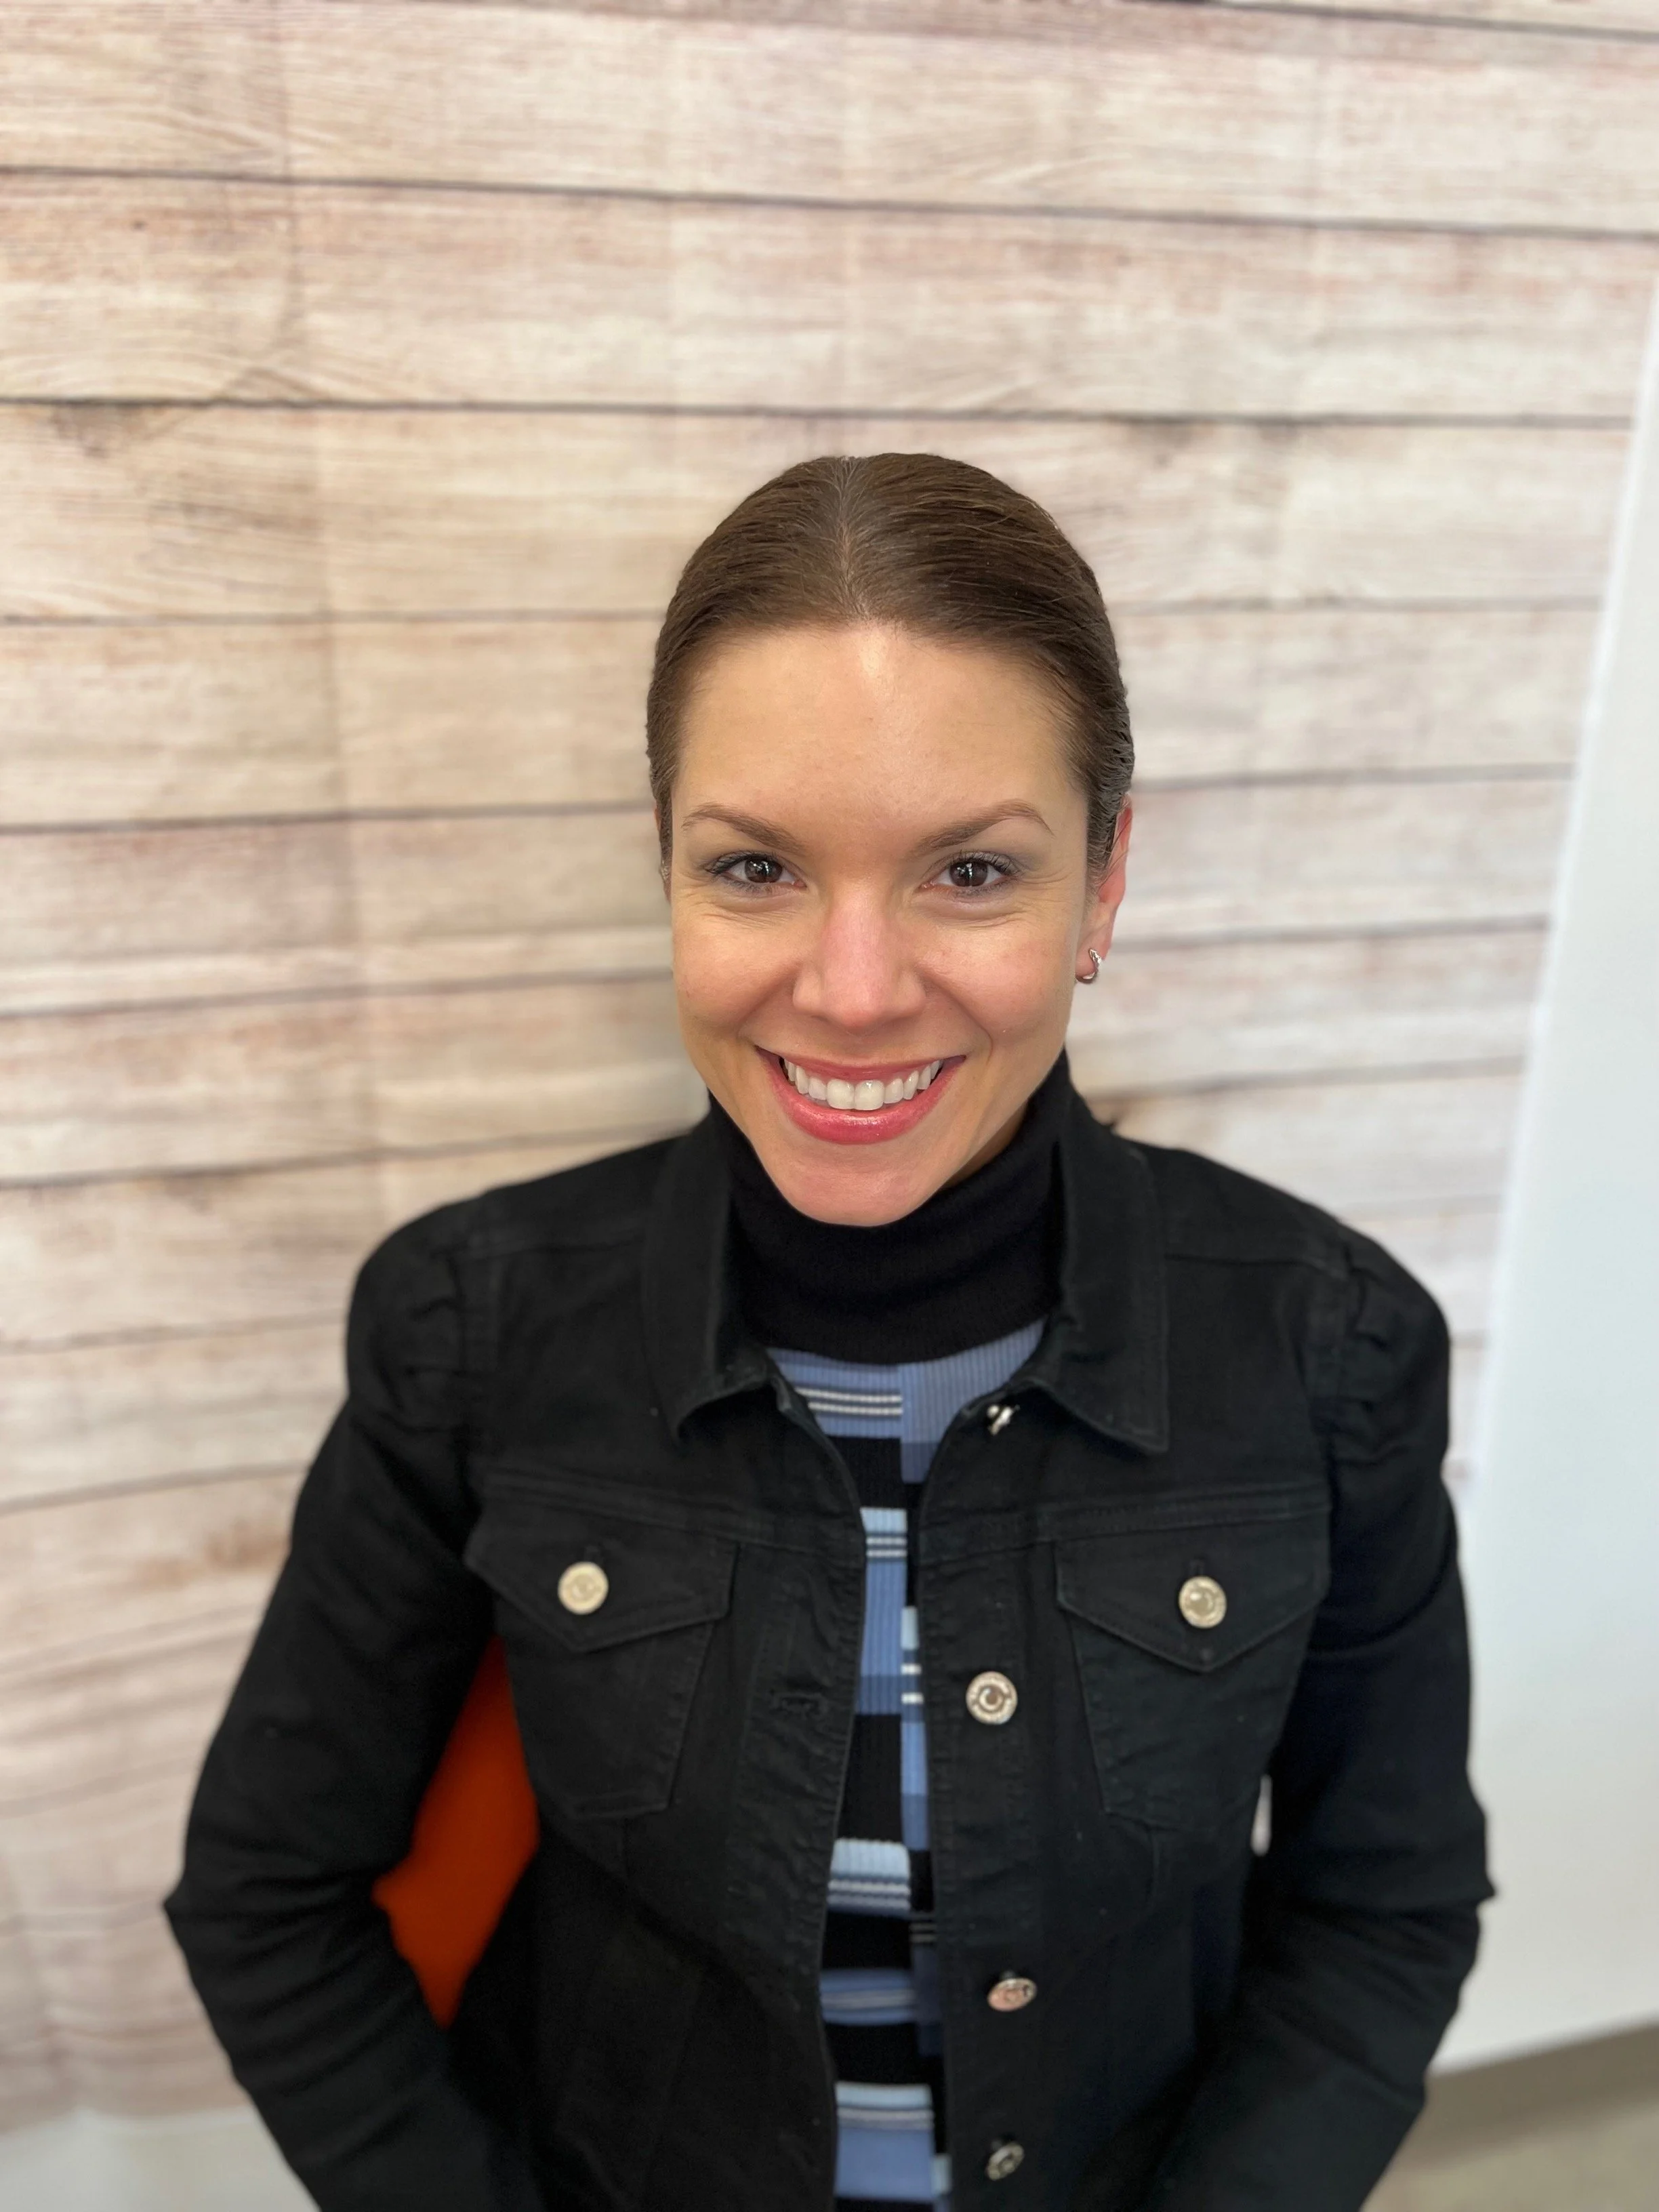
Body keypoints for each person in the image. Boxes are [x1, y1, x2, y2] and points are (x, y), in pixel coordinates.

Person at [166, 453, 1490, 2212]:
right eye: (758, 867)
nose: (852, 989)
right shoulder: (468, 1325)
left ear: (1100, 886)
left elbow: (1383, 1909)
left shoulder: (1334, 1348)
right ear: (667, 870)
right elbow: (266, 1894)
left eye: (967, 870)